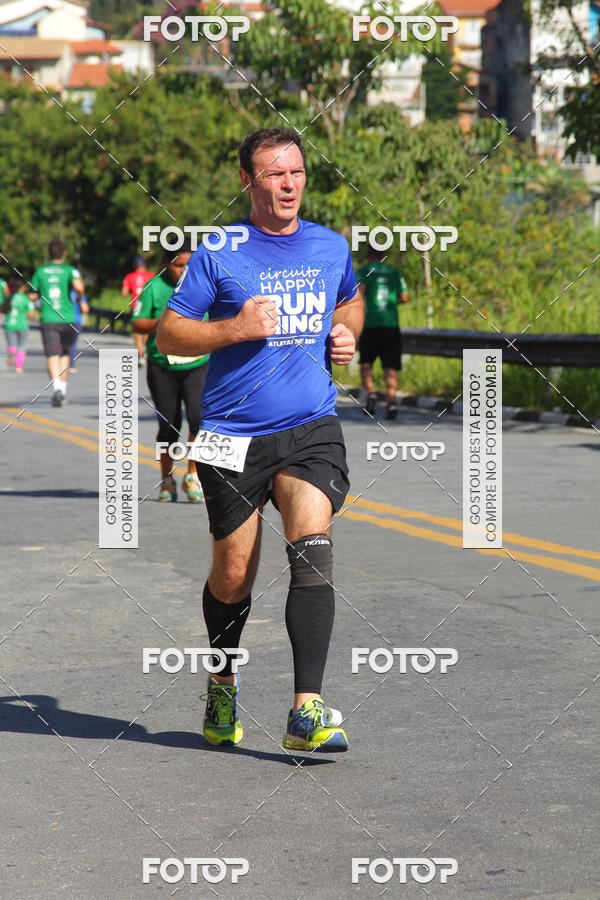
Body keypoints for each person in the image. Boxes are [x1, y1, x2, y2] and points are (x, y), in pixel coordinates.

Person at [157, 128, 364, 753]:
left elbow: (350, 303)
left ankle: (308, 708)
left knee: (313, 547)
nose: (289, 184)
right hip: (230, 436)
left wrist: (343, 334)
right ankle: (222, 678)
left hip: (310, 428)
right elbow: (170, 335)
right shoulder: (220, 252)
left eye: (296, 172)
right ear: (248, 181)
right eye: (275, 174)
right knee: (233, 574)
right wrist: (235, 328)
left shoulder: (330, 247)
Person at [132, 242, 208, 503]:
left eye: (188, 264)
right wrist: (162, 323)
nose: (183, 270)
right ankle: (167, 479)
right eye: (177, 266)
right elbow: (137, 323)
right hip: (162, 367)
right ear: (166, 264)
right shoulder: (154, 287)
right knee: (168, 427)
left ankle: (193, 476)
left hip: (197, 363)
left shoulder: (202, 281)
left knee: (200, 421)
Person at [29, 239, 89, 407]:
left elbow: (32, 294)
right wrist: (79, 298)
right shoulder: (70, 270)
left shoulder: (40, 271)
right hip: (68, 318)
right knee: (64, 354)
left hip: (49, 319)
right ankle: (62, 390)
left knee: (52, 355)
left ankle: (56, 388)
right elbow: (79, 287)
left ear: (49, 254)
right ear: (64, 253)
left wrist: (36, 298)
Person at [356, 246, 409, 420]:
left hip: (370, 324)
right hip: (390, 324)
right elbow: (404, 297)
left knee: (366, 363)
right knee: (390, 366)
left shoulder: (364, 271)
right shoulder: (394, 272)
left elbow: (359, 291)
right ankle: (392, 402)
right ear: (383, 255)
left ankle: (371, 394)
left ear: (368, 255)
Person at [122, 256, 154, 367]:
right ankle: (144, 348)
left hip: (136, 305)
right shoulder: (151, 276)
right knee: (147, 330)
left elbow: (124, 293)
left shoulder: (129, 276)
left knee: (137, 331)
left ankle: (140, 354)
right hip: (149, 305)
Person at [3, 279, 35, 373]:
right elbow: (30, 314)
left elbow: (3, 309)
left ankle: (10, 354)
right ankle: (18, 366)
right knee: (21, 346)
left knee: (12, 345)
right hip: (22, 325)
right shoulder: (25, 299)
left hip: (9, 325)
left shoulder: (8, 297)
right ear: (22, 287)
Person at [69, 288, 87, 371]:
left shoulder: (61, 291)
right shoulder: (79, 294)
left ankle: (61, 364)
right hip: (76, 321)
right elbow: (85, 309)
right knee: (72, 343)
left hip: (62, 321)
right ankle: (71, 365)